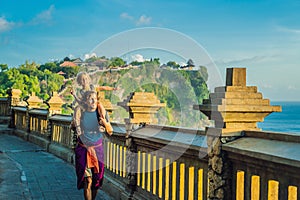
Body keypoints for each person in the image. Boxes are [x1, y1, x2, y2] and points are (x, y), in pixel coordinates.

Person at [73, 90, 113, 200]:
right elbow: (73, 126)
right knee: (88, 180)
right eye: (90, 98)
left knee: (96, 181)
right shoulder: (81, 113)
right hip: (84, 150)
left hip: (97, 150)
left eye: (95, 98)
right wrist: (77, 128)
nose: (93, 101)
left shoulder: (101, 113)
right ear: (86, 101)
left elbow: (110, 131)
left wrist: (104, 125)